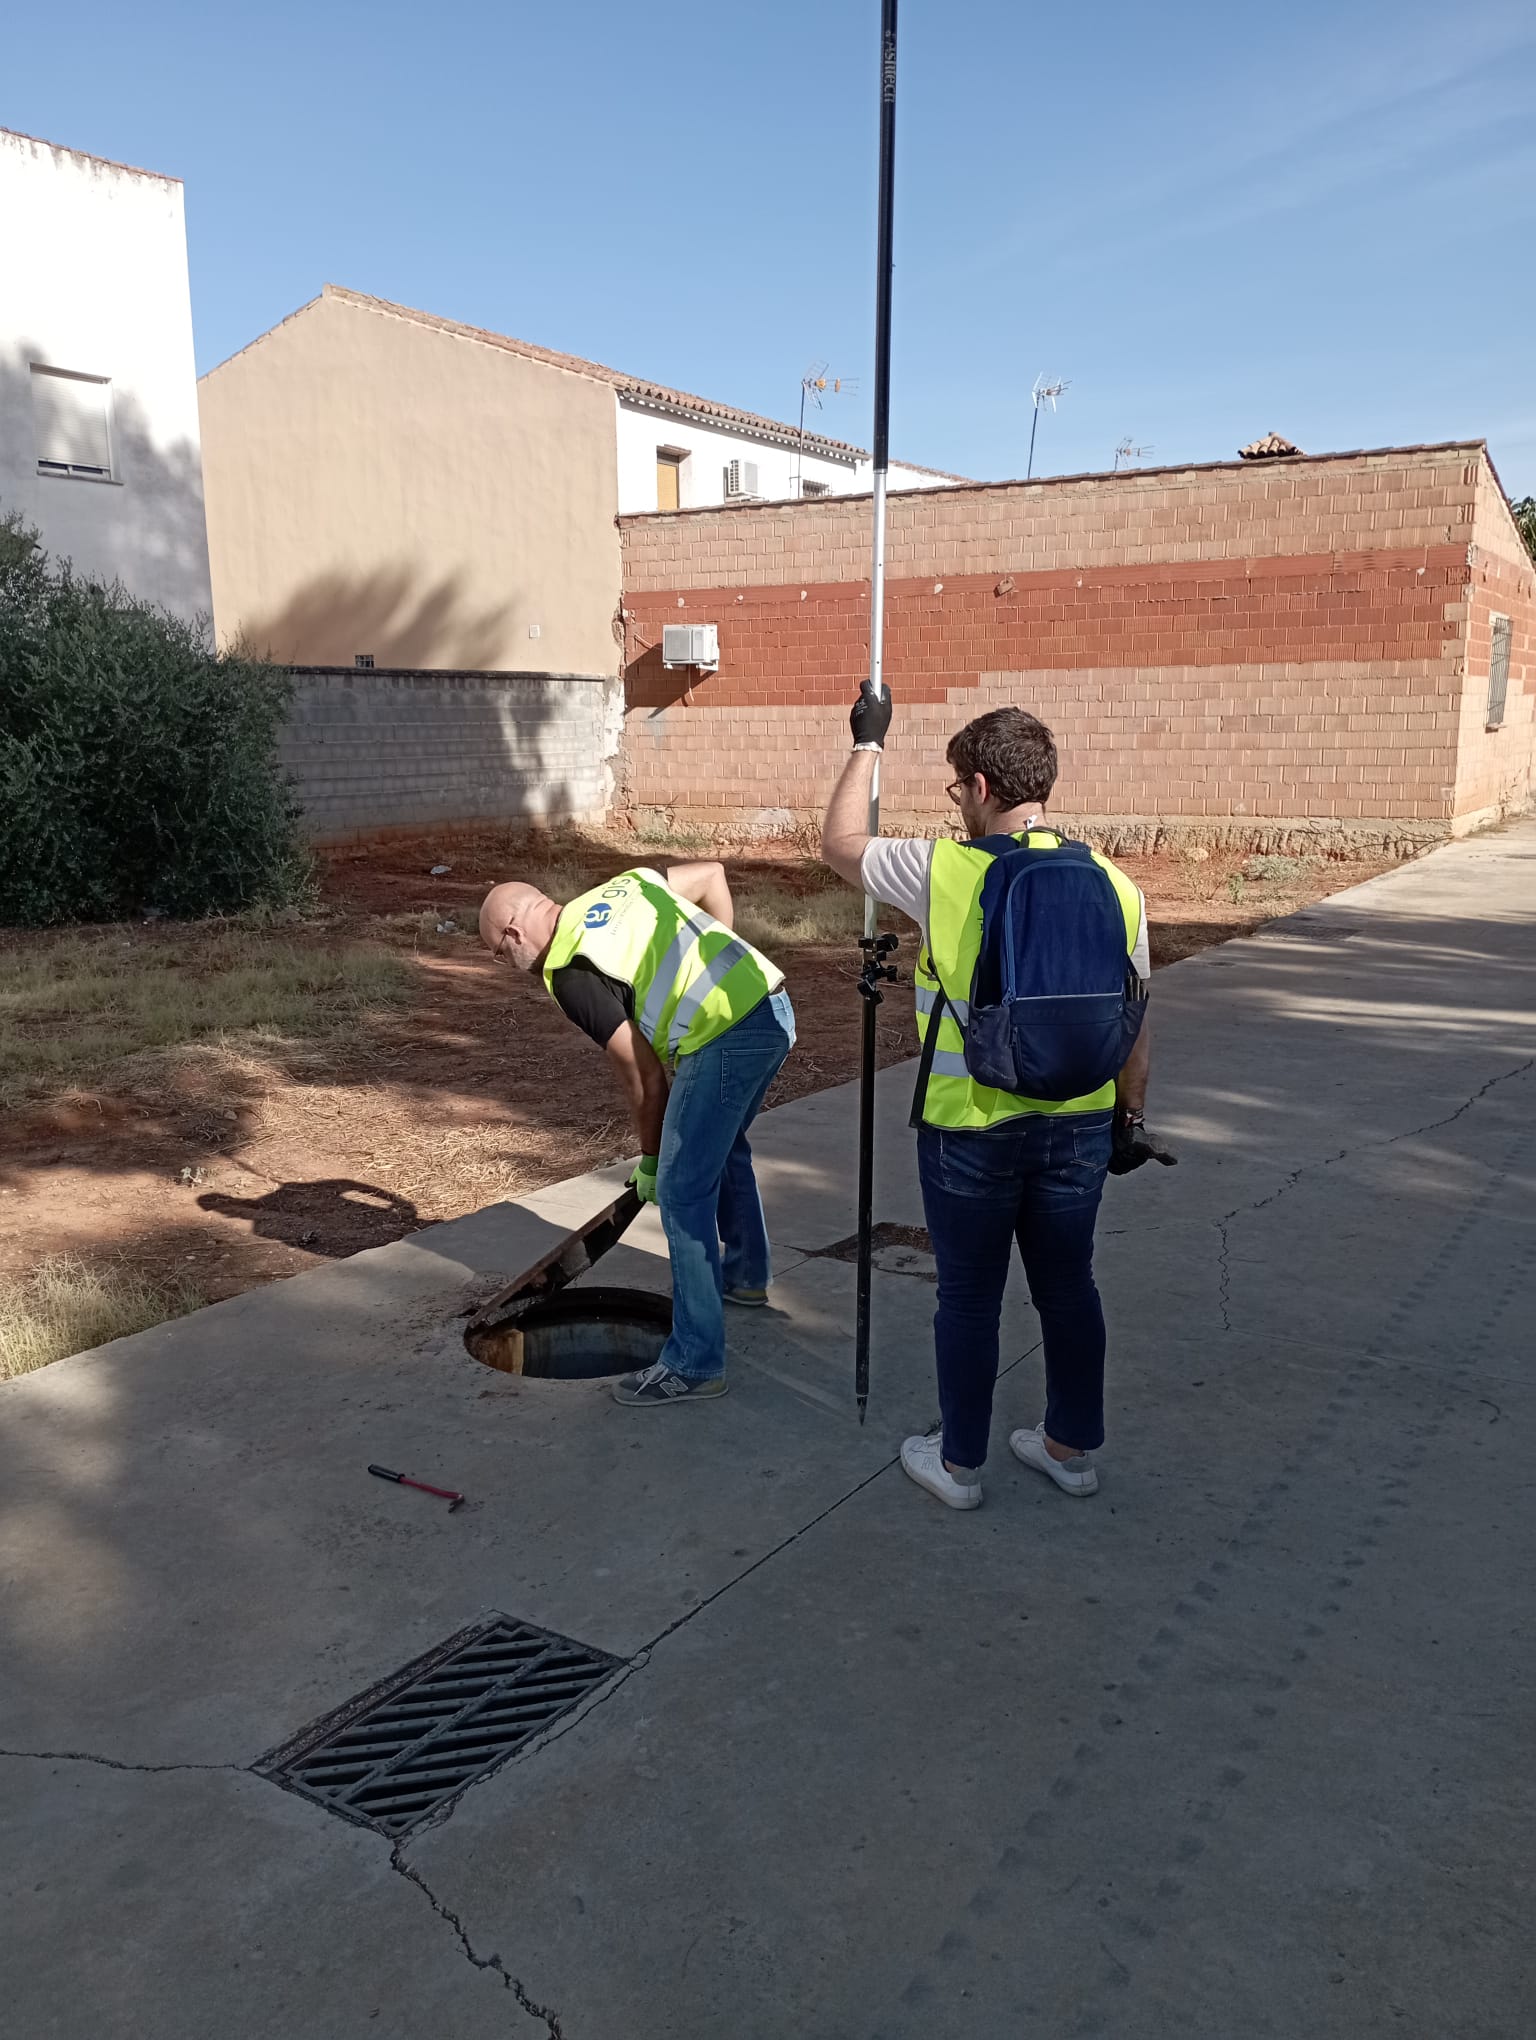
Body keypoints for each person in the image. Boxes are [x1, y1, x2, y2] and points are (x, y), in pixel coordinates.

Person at [821, 698, 1171, 1510]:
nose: (958, 804)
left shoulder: (943, 870)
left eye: (957, 789)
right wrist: (1130, 1117)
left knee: (970, 1297)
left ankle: (960, 1465)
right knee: (1070, 1286)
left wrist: (868, 743)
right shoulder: (1117, 884)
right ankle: (1070, 1451)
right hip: (1080, 1124)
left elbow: (837, 844)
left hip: (969, 1127)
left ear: (980, 786)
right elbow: (1136, 1019)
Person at [479, 860, 795, 1406]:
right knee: (722, 1150)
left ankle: (694, 1364)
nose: (508, 965)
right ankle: (745, 1276)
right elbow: (711, 875)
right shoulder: (628, 885)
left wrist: (652, 1160)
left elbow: (642, 1074)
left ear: (512, 932)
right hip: (771, 1008)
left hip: (725, 1038)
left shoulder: (569, 968)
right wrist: (714, 978)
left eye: (498, 954)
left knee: (682, 1191)